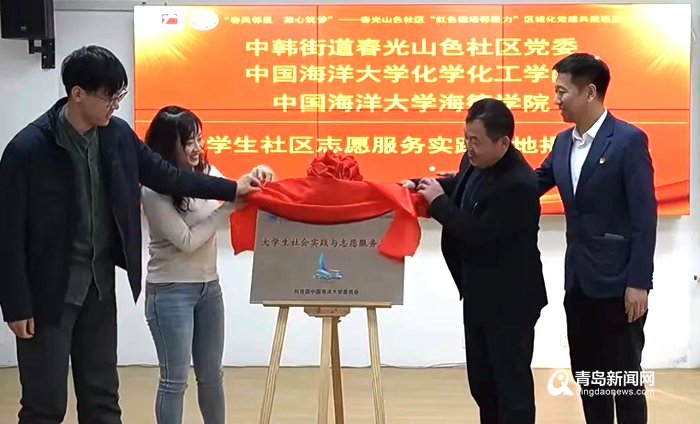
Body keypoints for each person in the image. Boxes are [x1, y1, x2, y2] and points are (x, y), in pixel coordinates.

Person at [0, 45, 260, 424]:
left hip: (98, 289)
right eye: (110, 97)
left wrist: (233, 188)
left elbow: (169, 177)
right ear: (78, 94)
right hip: (47, 295)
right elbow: (7, 234)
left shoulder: (117, 135)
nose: (115, 106)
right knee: (45, 405)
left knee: (103, 399)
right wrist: (16, 304)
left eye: (119, 96)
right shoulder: (28, 149)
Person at [404, 98, 548, 424]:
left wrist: (438, 204)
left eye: (476, 141)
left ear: (503, 143)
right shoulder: (476, 161)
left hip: (511, 301)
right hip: (479, 294)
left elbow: (479, 234)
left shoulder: (518, 184)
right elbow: (463, 184)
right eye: (466, 137)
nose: (469, 147)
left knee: (511, 390)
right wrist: (423, 185)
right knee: (483, 386)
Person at [535, 53, 657, 424]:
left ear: (590, 92)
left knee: (624, 379)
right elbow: (527, 185)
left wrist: (639, 282)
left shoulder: (627, 141)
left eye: (562, 92)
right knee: (589, 377)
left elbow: (644, 216)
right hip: (579, 281)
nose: (556, 100)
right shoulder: (562, 143)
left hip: (618, 283)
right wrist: (465, 181)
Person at [140, 105, 274, 424]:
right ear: (167, 146)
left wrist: (258, 174)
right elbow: (186, 241)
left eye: (199, 139)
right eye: (188, 142)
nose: (197, 148)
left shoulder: (206, 173)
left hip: (209, 289)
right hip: (170, 292)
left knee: (212, 376)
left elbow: (236, 190)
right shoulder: (153, 190)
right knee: (174, 381)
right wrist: (226, 208)